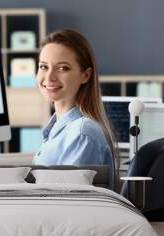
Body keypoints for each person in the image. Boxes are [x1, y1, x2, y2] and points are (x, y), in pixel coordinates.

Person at [32, 29, 117, 184]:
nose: (49, 77)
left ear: (85, 75)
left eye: (63, 68)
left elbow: (68, 204)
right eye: (44, 67)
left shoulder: (81, 135)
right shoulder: (58, 128)